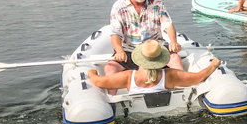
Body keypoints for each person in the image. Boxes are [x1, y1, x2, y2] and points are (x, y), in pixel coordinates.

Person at [105, 0, 184, 75]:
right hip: (129, 50)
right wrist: (119, 50)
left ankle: (182, 87)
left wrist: (173, 41)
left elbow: (167, 24)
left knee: (175, 59)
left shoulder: (157, 3)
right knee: (110, 68)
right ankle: (110, 90)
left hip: (155, 49)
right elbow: (116, 33)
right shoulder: (118, 6)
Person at [87, 40, 221, 95]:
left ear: (139, 58)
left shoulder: (128, 77)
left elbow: (98, 81)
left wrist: (91, 72)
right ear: (161, 58)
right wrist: (213, 64)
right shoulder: (171, 75)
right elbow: (199, 77)